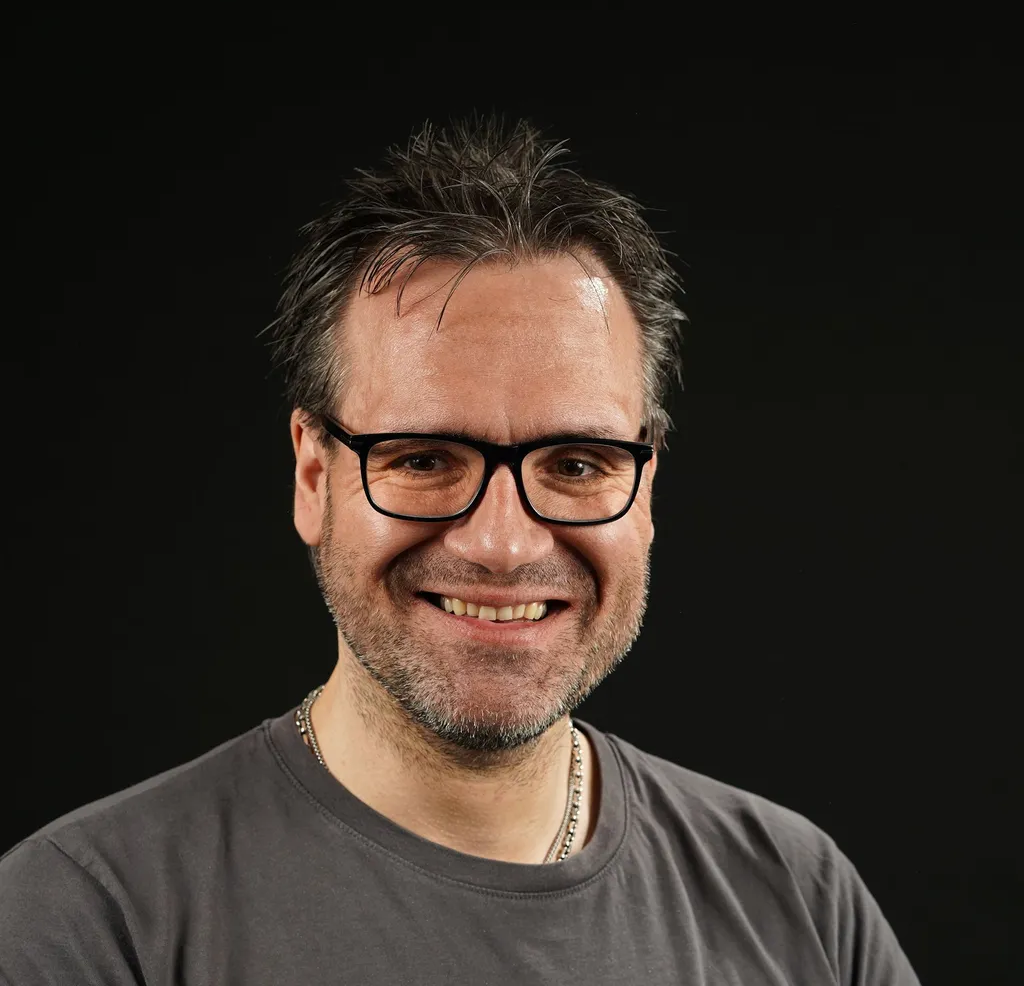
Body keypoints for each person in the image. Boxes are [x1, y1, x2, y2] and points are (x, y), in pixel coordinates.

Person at [0, 116, 921, 984]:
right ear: (314, 477)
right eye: (426, 458)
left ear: (645, 487)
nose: (502, 543)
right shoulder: (89, 920)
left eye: (576, 462)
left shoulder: (800, 901)